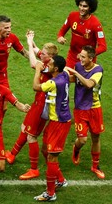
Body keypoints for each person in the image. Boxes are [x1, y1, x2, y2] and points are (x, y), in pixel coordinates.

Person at [6, 31, 67, 185]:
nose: (41, 55)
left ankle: (34, 168)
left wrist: (28, 44)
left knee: (31, 135)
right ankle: (12, 154)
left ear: (50, 58)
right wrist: (31, 41)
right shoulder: (49, 61)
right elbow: (36, 52)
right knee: (25, 128)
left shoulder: (49, 68)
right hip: (39, 103)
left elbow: (34, 64)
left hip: (42, 105)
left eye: (44, 54)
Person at [33, 55, 71, 202]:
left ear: (55, 69)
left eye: (50, 63)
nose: (47, 64)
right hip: (55, 121)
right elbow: (67, 69)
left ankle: (50, 193)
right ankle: (60, 179)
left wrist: (37, 70)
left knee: (52, 156)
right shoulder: (65, 74)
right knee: (45, 150)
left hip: (59, 123)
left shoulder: (53, 83)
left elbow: (36, 87)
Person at [65, 45, 105, 179]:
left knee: (96, 137)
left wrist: (76, 73)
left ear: (91, 58)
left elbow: (89, 84)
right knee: (82, 140)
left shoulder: (98, 70)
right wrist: (61, 76)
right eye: (80, 55)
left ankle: (95, 166)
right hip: (80, 108)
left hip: (94, 108)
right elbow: (74, 80)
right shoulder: (78, 66)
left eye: (83, 57)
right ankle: (76, 149)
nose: (79, 58)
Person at [57, 0, 107, 69]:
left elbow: (103, 47)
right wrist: (60, 37)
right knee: (64, 78)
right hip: (72, 57)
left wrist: (87, 55)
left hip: (87, 61)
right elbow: (61, 32)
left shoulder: (96, 24)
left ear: (90, 8)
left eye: (85, 6)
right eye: (80, 5)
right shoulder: (72, 16)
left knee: (82, 81)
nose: (81, 8)